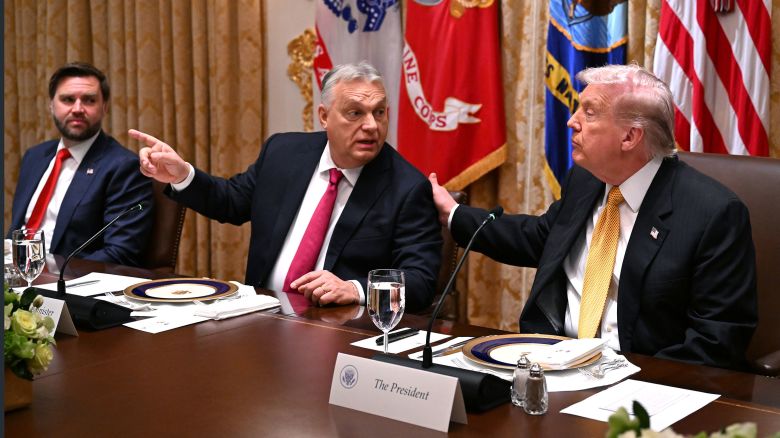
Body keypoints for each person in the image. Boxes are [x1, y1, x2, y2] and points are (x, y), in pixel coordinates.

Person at [430, 64, 757, 369]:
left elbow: (716, 340)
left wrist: (628, 382)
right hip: (551, 363)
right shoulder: (586, 180)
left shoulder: (713, 214)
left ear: (630, 137)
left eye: (589, 112)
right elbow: (540, 237)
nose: (572, 121)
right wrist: (454, 214)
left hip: (639, 383)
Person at [130, 62, 442, 311]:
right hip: (260, 316)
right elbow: (232, 202)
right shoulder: (283, 153)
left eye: (379, 112)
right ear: (324, 116)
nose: (372, 126)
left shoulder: (406, 187)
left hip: (335, 330)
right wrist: (183, 175)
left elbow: (421, 281)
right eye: (355, 113)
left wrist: (354, 288)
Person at [8, 62, 154, 266]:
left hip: (66, 285)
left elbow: (121, 252)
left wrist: (51, 274)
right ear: (51, 105)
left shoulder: (124, 167)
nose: (77, 109)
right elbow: (18, 229)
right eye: (67, 99)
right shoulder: (35, 156)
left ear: (104, 108)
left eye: (89, 100)